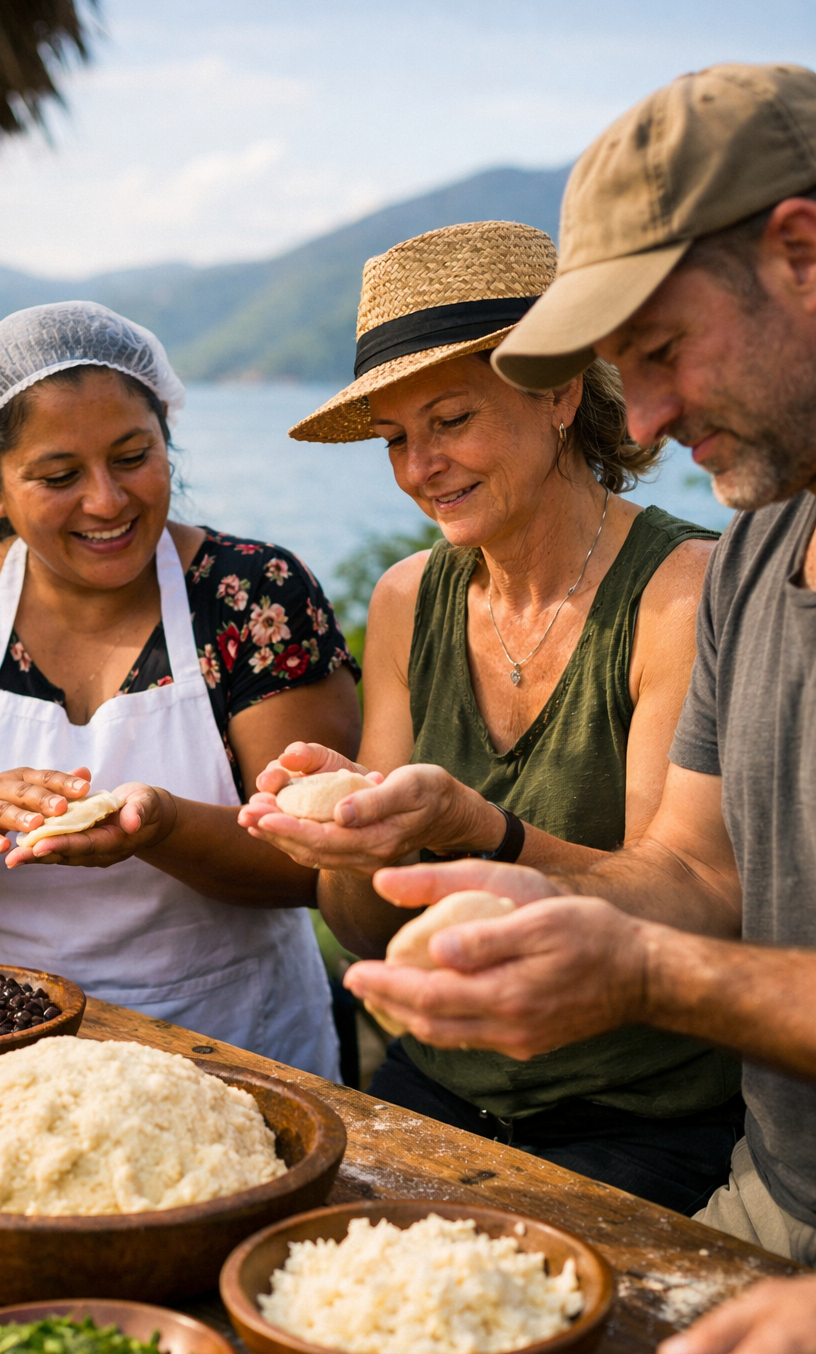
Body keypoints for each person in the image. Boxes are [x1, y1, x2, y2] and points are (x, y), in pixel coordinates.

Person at [343, 63, 816, 1354]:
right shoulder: (760, 546)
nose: (650, 414)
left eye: (661, 348)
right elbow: (686, 875)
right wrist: (455, 848)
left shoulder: (682, 569)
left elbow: (683, 933)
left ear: (803, 254)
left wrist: (643, 970)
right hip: (772, 1199)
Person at [239, 220, 745, 1215]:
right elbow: (368, 935)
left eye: (451, 420)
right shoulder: (403, 600)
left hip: (639, 1115)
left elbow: (689, 893)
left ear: (559, 392)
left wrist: (475, 830)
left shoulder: (682, 592)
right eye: (394, 439)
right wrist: (348, 842)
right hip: (437, 1086)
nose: (420, 466)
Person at [0, 302, 361, 1079]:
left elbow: (325, 863)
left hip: (233, 1050)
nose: (106, 501)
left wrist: (161, 827)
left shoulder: (250, 596)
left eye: (133, 456)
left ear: (166, 433)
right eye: (59, 476)